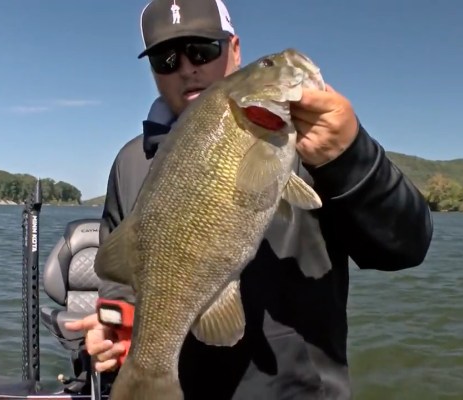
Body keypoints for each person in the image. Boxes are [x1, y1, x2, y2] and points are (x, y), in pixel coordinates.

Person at [65, 0, 433, 398]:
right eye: (165, 59)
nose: (187, 68)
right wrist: (114, 324)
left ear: (235, 50)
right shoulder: (130, 162)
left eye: (202, 50)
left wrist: (350, 157)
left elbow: (405, 247)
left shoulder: (316, 143)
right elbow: (120, 276)